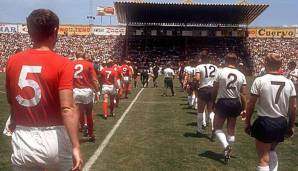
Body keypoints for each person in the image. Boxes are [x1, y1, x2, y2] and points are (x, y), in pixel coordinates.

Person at [5, 9, 82, 171]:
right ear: (55, 30)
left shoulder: (12, 61)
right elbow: (67, 108)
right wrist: (76, 146)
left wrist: (13, 122)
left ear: (30, 31)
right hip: (55, 136)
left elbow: (11, 100)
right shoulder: (63, 63)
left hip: (23, 137)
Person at [245, 53, 296, 171]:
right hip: (281, 122)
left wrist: (247, 123)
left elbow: (251, 104)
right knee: (272, 150)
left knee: (263, 159)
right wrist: (291, 125)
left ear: (265, 64)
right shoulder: (289, 82)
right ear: (281, 65)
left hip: (265, 122)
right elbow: (293, 107)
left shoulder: (260, 80)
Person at [212, 53, 247, 163]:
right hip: (235, 102)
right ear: (236, 61)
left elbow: (215, 89)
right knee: (231, 129)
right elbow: (243, 94)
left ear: (225, 60)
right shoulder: (241, 75)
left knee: (216, 127)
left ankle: (226, 146)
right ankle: (228, 152)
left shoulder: (220, 72)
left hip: (223, 102)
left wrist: (213, 101)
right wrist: (244, 108)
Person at [73, 48, 99, 142]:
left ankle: (77, 133)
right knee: (88, 113)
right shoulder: (89, 64)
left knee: (76, 114)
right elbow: (94, 80)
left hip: (75, 91)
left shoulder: (71, 64)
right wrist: (97, 90)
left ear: (76, 56)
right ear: (84, 56)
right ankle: (91, 134)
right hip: (87, 91)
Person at [194, 50, 218, 136]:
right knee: (211, 111)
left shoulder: (199, 67)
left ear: (202, 58)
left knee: (200, 111)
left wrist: (196, 85)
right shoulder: (215, 67)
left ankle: (199, 130)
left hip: (203, 89)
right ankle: (213, 129)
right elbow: (217, 79)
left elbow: (197, 78)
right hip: (212, 90)